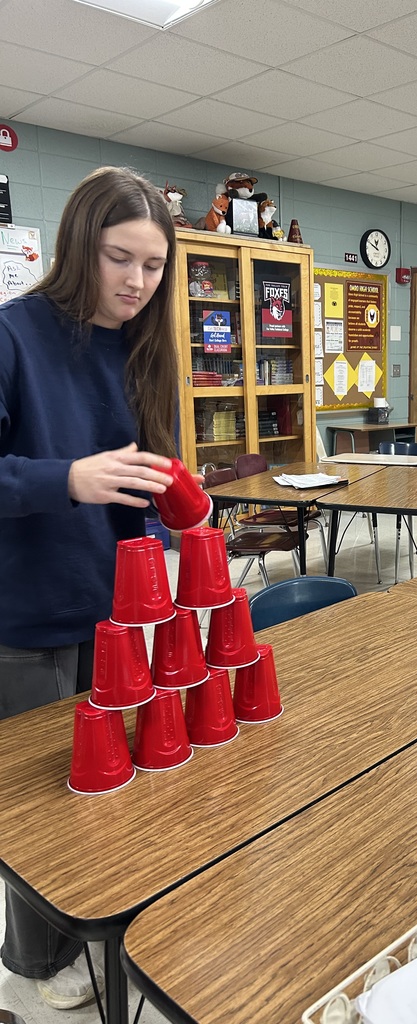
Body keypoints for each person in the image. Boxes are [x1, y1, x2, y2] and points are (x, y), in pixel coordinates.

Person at [0, 166, 180, 1008]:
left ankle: (92, 927)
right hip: (27, 615)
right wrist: (64, 479)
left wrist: (175, 511)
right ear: (80, 245)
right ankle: (36, 961)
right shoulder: (14, 336)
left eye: (153, 266)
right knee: (36, 808)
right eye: (120, 259)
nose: (137, 284)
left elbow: (145, 479)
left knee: (98, 788)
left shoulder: (145, 342)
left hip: (115, 614)